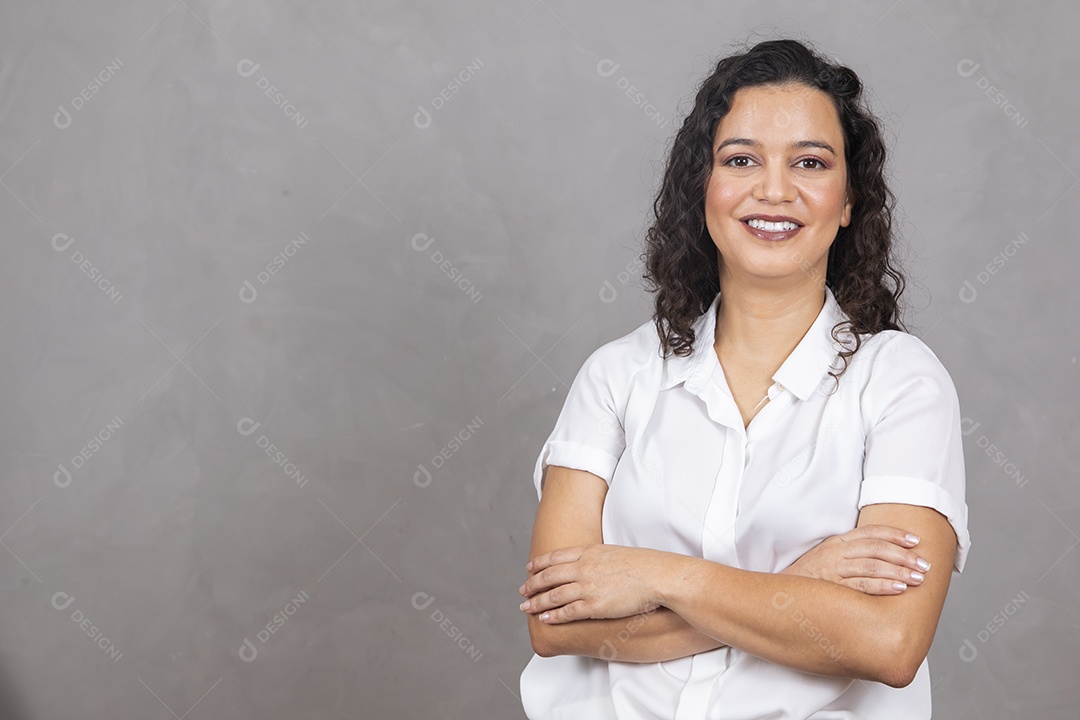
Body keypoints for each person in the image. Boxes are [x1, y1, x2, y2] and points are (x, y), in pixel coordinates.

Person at [516, 37, 971, 720]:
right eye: (741, 159)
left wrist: (654, 574)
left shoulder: (903, 383)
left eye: (810, 163)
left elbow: (888, 640)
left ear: (849, 201)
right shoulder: (616, 377)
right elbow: (555, 627)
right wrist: (801, 583)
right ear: (703, 186)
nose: (775, 190)